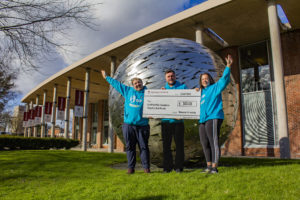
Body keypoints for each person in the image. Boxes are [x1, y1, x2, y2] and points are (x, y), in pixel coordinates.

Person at [101, 70, 150, 174]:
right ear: (133, 85)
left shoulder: (148, 93)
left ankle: (146, 168)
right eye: (135, 83)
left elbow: (161, 100)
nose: (138, 84)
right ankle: (131, 168)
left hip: (143, 126)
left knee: (144, 147)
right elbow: (116, 84)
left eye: (139, 82)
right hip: (128, 126)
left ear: (142, 83)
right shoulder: (128, 91)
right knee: (130, 147)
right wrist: (106, 77)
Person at [198, 54, 233, 174]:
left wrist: (228, 66)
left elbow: (224, 80)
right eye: (202, 79)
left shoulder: (215, 87)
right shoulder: (200, 93)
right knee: (204, 143)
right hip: (202, 120)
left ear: (210, 79)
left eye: (206, 78)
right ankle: (208, 166)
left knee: (213, 142)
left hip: (213, 117)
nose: (204, 80)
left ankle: (214, 167)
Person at [161, 69, 187, 173]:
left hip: (178, 122)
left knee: (179, 145)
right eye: (168, 76)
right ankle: (167, 167)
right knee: (166, 146)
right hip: (166, 122)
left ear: (175, 77)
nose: (170, 78)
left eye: (172, 76)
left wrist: (196, 91)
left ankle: (178, 167)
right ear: (165, 78)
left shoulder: (183, 87)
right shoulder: (163, 90)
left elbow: (189, 101)